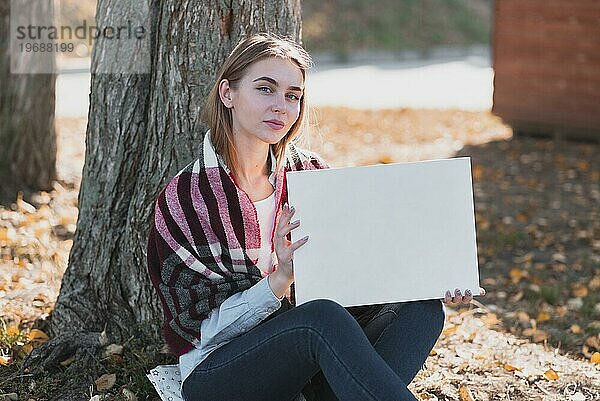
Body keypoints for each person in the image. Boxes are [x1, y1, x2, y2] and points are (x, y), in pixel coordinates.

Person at [146, 33, 485, 401]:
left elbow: (355, 280)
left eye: (292, 95)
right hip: (220, 373)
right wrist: (280, 280)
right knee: (320, 318)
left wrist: (431, 279)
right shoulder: (189, 197)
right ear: (228, 94)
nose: (281, 106)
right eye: (265, 89)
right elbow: (203, 330)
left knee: (423, 311)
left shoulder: (310, 174)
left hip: (307, 366)